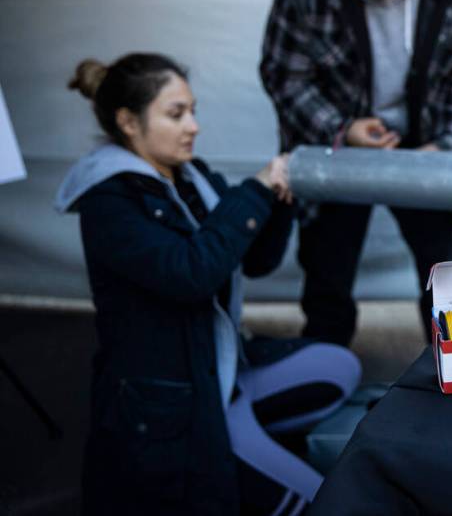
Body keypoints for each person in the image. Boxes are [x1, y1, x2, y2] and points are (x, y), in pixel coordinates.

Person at [55, 53, 361, 515]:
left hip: (221, 372)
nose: (193, 126)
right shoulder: (109, 202)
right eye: (176, 114)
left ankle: (247, 447)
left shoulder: (192, 176)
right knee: (321, 501)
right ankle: (235, 454)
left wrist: (279, 203)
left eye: (193, 111)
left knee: (340, 367)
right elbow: (190, 274)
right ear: (128, 122)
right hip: (176, 404)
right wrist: (255, 191)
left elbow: (254, 260)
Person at [259, 0, 452, 346]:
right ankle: (323, 370)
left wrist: (443, 147)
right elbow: (284, 75)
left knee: (444, 273)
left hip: (423, 144)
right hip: (336, 143)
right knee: (327, 269)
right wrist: (341, 130)